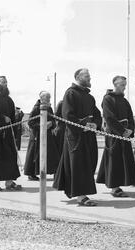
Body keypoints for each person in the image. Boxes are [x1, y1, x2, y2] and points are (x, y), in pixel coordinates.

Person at [53, 68, 102, 206]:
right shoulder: (71, 93)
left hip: (88, 136)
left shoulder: (90, 97)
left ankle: (80, 192)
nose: (89, 78)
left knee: (89, 164)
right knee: (78, 165)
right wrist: (83, 125)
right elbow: (67, 115)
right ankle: (81, 196)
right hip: (75, 137)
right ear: (78, 77)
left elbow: (97, 114)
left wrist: (95, 125)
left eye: (89, 75)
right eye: (87, 76)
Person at [96, 76, 135, 197]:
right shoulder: (108, 99)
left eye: (125, 84)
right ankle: (114, 187)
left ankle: (120, 183)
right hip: (114, 134)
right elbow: (109, 117)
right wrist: (121, 131)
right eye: (122, 84)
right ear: (115, 84)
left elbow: (131, 117)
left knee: (123, 160)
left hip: (124, 134)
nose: (124, 87)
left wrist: (130, 130)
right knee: (114, 160)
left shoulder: (124, 101)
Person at [24, 91, 60, 181]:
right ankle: (31, 173)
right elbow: (30, 122)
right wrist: (42, 125)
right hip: (37, 135)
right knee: (34, 155)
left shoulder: (49, 108)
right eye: (47, 97)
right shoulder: (36, 109)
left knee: (51, 154)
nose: (49, 99)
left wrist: (51, 123)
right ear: (42, 98)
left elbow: (53, 120)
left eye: (49, 97)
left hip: (48, 135)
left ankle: (54, 171)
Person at [0, 76, 22, 191]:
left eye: (6, 82)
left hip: (7, 133)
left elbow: (12, 116)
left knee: (11, 157)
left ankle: (9, 182)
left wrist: (17, 116)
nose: (5, 84)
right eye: (2, 82)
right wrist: (2, 118)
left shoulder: (8, 99)